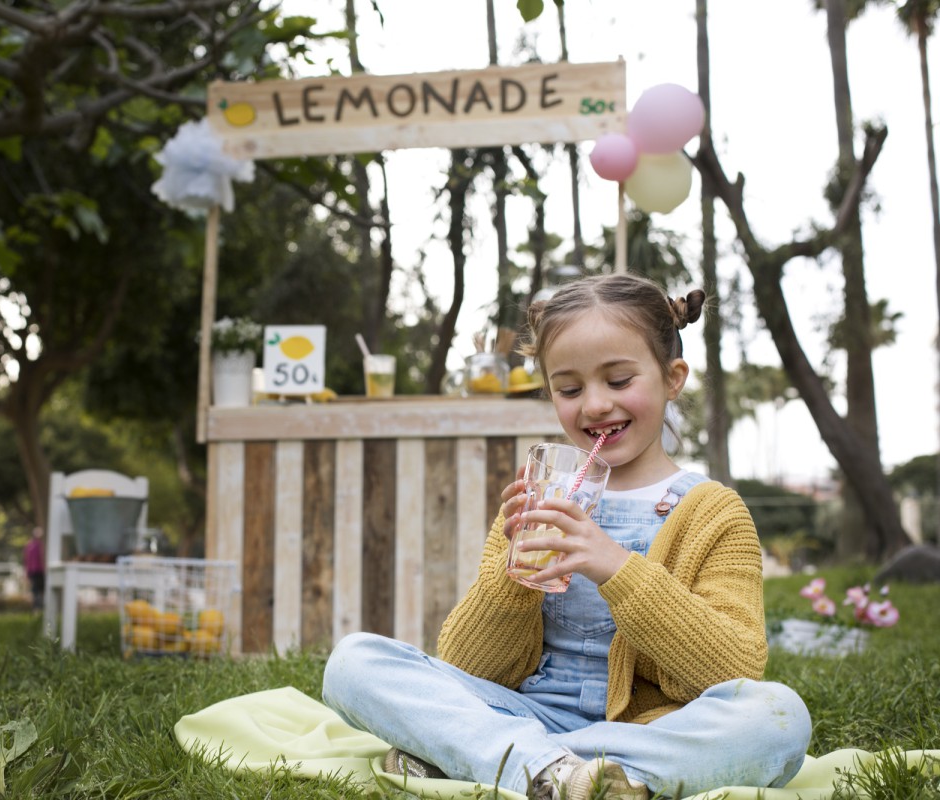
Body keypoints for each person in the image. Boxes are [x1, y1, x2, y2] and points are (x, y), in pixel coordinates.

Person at [321, 273, 812, 800]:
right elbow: (465, 665)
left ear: (673, 378)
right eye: (570, 389)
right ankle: (568, 774)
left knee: (777, 718)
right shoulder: (537, 502)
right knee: (353, 662)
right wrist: (513, 580)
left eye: (619, 381)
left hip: (647, 731)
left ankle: (501, 760)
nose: (595, 406)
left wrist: (616, 568)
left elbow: (734, 668)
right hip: (522, 714)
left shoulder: (714, 512)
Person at [23, 526, 45, 611]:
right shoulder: (38, 545)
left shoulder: (29, 545)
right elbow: (27, 560)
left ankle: (37, 607)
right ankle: (37, 607)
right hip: (38, 570)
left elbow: (25, 560)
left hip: (34, 570)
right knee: (38, 589)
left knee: (36, 589)